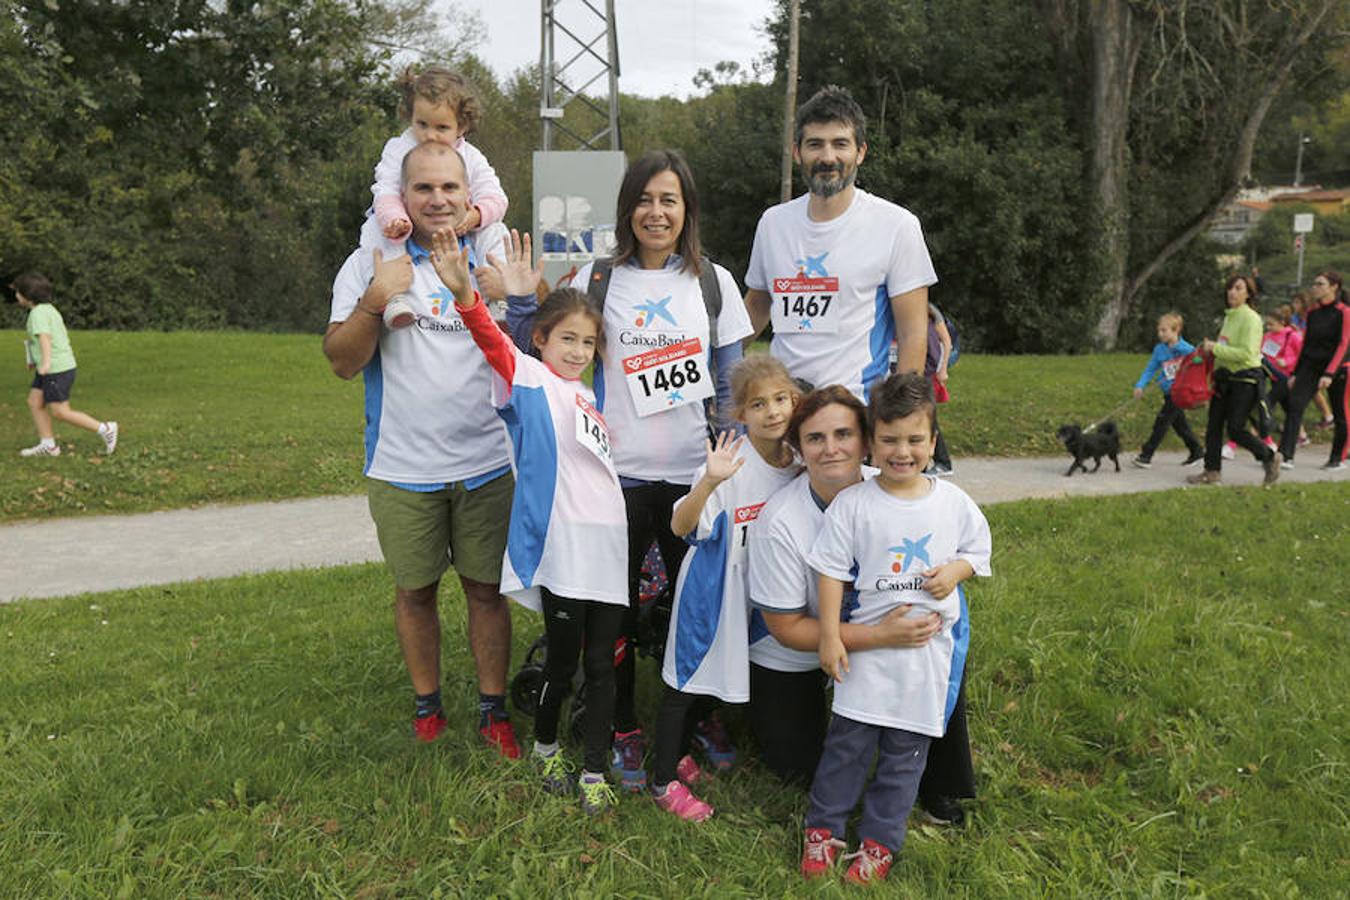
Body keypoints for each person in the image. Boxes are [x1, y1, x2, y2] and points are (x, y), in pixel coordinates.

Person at [507, 150, 753, 791]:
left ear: (687, 210)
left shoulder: (714, 283)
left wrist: (728, 462)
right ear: (627, 209)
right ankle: (618, 725)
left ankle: (697, 717)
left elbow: (732, 380)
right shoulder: (596, 278)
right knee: (607, 614)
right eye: (644, 199)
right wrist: (512, 298)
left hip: (692, 478)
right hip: (613, 480)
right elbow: (540, 351)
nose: (656, 211)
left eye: (669, 199)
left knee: (690, 608)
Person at [322, 141, 520, 757]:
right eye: (424, 189)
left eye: (449, 189)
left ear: (469, 198)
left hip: (488, 461)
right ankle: (427, 707)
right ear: (402, 198)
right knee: (415, 592)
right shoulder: (369, 263)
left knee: (486, 591)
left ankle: (493, 710)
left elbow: (540, 360)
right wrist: (376, 301)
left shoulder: (492, 257)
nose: (437, 199)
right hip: (402, 466)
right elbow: (341, 363)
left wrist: (520, 296)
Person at [440, 227, 627, 813]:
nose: (576, 351)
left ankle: (594, 767)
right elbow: (496, 346)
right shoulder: (530, 381)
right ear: (541, 341)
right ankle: (547, 747)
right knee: (565, 662)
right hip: (565, 550)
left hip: (608, 551)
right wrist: (469, 297)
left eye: (588, 343)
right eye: (566, 339)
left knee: (604, 666)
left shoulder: (589, 397)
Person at [805, 373, 992, 884]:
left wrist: (955, 571)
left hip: (925, 659)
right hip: (865, 657)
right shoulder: (855, 504)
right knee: (846, 747)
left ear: (933, 443)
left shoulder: (952, 503)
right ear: (871, 440)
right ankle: (823, 830)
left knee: (905, 759)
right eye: (889, 440)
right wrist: (829, 635)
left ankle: (879, 842)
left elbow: (978, 552)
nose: (902, 451)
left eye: (914, 440)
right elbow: (830, 571)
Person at [747, 386, 951, 790]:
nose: (831, 449)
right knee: (797, 772)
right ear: (800, 450)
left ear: (867, 441)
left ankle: (943, 780)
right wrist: (878, 635)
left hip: (883, 635)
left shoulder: (897, 488)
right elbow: (785, 628)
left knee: (940, 637)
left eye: (844, 434)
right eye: (815, 438)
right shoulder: (780, 522)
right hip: (796, 653)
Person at [649, 356, 802, 821]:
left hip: (758, 595)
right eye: (759, 404)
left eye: (780, 399)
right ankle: (661, 782)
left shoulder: (797, 461)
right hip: (712, 592)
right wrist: (709, 482)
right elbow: (679, 525)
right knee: (684, 682)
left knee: (719, 677)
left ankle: (685, 750)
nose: (773, 411)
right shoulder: (729, 461)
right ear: (740, 413)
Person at [743, 84, 936, 398]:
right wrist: (710, 361)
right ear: (797, 152)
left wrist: (901, 416)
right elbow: (756, 306)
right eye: (815, 144)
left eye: (840, 144)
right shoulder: (772, 224)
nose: (827, 157)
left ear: (860, 152)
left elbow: (913, 334)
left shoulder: (897, 225)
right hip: (784, 411)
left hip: (855, 413)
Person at [362, 65, 509, 330]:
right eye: (422, 124)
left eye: (442, 127)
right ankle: (395, 297)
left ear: (461, 126)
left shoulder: (471, 157)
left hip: (461, 226)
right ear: (411, 116)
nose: (430, 135)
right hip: (404, 225)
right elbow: (384, 190)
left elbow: (496, 197)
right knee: (375, 228)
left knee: (496, 230)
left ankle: (498, 298)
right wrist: (395, 220)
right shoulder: (399, 148)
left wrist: (475, 216)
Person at [1187, 275, 1282, 486]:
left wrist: (1216, 348)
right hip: (1224, 379)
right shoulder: (1229, 316)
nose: (1232, 292)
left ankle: (1269, 456)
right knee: (1213, 425)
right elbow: (1226, 347)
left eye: (1238, 288)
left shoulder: (1251, 318)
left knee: (1236, 429)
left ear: (1248, 293)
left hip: (1245, 380)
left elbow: (1247, 353)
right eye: (1230, 288)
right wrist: (1210, 353)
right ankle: (1211, 471)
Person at [12, 273, 118, 458]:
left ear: (27, 295)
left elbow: (45, 338)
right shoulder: (48, 309)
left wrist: (45, 363)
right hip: (53, 367)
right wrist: (34, 361)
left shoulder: (38, 314)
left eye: (18, 292)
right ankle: (48, 445)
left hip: (55, 369)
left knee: (61, 412)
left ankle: (105, 428)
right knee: (35, 402)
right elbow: (37, 341)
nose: (16, 296)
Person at [1278, 271, 1350, 470]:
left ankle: (1337, 457)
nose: (1315, 287)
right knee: (1295, 405)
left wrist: (1330, 373)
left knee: (1340, 413)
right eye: (1315, 283)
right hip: (1311, 366)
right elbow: (1306, 344)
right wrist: (1295, 373)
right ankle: (1285, 455)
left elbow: (1344, 345)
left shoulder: (1344, 311)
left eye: (1320, 284)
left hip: (1338, 367)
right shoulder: (1312, 313)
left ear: (1333, 287)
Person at [1130, 312, 1204, 468]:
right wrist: (1140, 385)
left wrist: (1196, 360)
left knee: (1161, 422)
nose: (1160, 334)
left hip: (1180, 393)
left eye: (1164, 330)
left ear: (1176, 330)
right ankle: (1196, 451)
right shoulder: (1159, 350)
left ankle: (1146, 455)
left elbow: (1198, 364)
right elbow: (1150, 369)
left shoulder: (1187, 349)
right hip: (1168, 392)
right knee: (1179, 425)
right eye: (1159, 330)